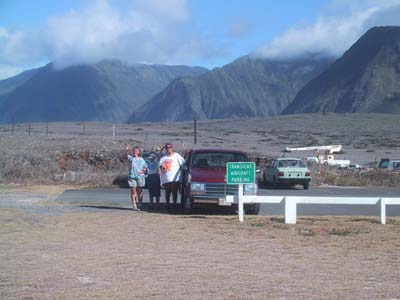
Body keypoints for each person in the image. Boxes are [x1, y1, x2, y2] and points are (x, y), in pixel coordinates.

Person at [158, 143, 185, 210]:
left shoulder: (176, 156)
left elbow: (183, 164)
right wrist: (159, 170)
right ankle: (167, 205)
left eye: (169, 147)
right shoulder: (164, 157)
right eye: (167, 147)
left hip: (175, 178)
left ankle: (174, 205)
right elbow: (159, 165)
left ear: (172, 148)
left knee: (174, 191)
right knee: (167, 192)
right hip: (166, 178)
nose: (168, 149)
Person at [126, 144, 147, 211]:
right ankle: (134, 205)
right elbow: (127, 156)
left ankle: (140, 204)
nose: (135, 152)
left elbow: (145, 167)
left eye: (136, 151)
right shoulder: (131, 158)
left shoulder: (142, 159)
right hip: (132, 176)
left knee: (140, 191)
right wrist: (127, 150)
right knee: (133, 191)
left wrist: (144, 170)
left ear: (138, 152)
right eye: (134, 151)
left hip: (140, 177)